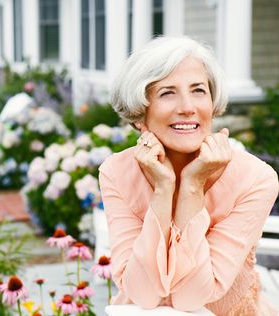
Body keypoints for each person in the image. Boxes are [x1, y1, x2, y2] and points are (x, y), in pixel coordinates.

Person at [99, 36, 279, 315]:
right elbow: (143, 295)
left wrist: (192, 187)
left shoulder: (255, 179)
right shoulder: (117, 173)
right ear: (139, 114)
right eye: (167, 93)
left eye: (198, 90)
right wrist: (163, 189)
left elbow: (191, 298)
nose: (187, 107)